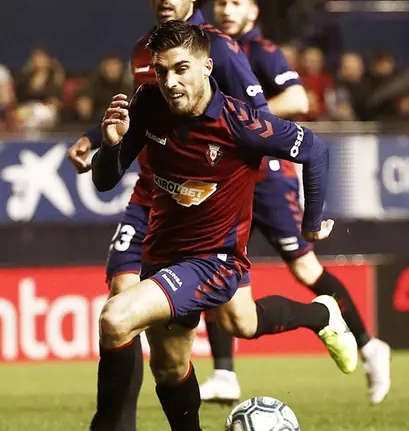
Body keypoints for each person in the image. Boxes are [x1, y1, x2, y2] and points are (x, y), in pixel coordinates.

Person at [89, 20, 357, 431]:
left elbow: (315, 150)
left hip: (215, 262)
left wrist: (312, 222)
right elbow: (106, 181)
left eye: (181, 69)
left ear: (207, 67)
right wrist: (110, 145)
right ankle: (320, 315)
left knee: (116, 317)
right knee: (174, 362)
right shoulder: (148, 103)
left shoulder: (241, 124)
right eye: (161, 71)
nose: (170, 81)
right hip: (162, 256)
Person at [65, 2, 273, 428]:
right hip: (150, 195)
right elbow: (141, 118)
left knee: (239, 320)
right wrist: (99, 138)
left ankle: (318, 318)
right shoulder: (144, 50)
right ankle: (119, 424)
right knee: (122, 308)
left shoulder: (218, 46)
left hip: (201, 202)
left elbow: (261, 122)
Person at [204, 0, 391, 405]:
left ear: (253, 11)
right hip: (230, 177)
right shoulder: (207, 50)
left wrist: (240, 123)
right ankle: (223, 373)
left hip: (269, 180)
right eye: (220, 2)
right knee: (212, 263)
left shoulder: (262, 51)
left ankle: (369, 345)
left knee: (306, 269)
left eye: (236, 2)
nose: (226, 9)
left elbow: (298, 100)